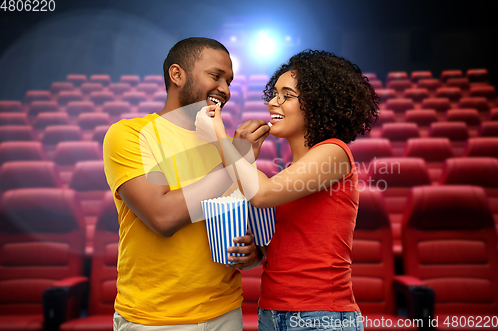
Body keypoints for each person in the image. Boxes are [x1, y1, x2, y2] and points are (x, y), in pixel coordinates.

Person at [195, 49, 379, 331]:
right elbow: (290, 244)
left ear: (317, 104)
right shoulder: (289, 173)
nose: (272, 103)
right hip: (272, 311)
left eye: (286, 95)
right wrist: (256, 255)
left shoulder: (334, 153)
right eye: (274, 94)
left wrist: (219, 133)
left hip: (319, 316)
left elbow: (262, 194)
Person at [103, 37, 270, 330]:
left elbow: (245, 222)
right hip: (154, 319)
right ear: (177, 75)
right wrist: (237, 159)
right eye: (215, 76)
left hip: (226, 311)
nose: (226, 90)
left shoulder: (225, 147)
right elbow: (163, 216)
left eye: (229, 81)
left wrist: (253, 253)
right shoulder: (129, 134)